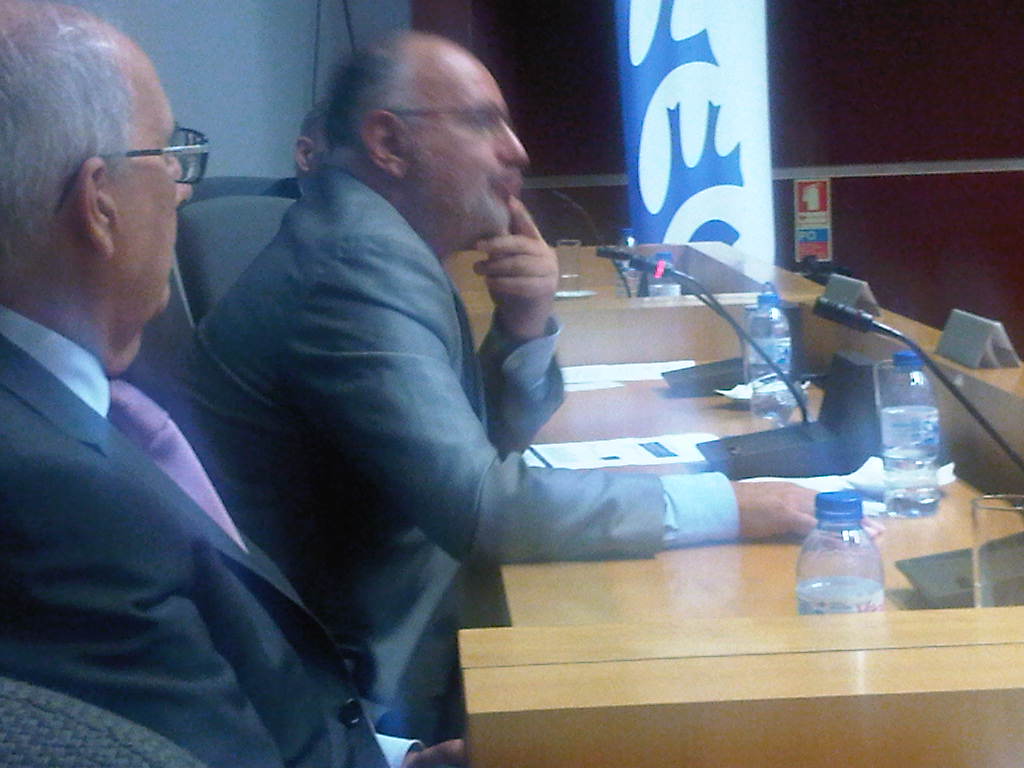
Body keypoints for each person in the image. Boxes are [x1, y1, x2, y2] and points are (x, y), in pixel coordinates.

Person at [177, 31, 820, 740]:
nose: (517, 151)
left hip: (413, 615)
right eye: (483, 123)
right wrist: (726, 507)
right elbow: (482, 508)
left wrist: (522, 324)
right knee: (687, 675)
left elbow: (467, 450)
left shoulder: (368, 241)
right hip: (371, 677)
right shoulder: (354, 264)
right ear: (389, 143)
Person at [0, 4, 459, 767]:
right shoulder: (52, 497)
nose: (183, 191)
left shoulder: (74, 406)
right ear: (99, 203)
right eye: (168, 155)